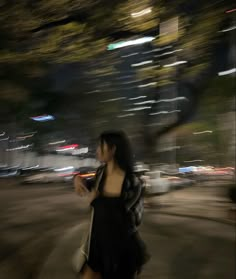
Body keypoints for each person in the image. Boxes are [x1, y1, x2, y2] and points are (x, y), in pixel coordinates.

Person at [74, 130, 150, 279]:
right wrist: (77, 179)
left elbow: (134, 221)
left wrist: (97, 201)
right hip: (96, 244)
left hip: (121, 250)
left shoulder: (133, 182)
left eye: (100, 146)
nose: (96, 150)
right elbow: (88, 186)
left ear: (113, 149)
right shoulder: (100, 173)